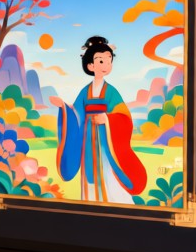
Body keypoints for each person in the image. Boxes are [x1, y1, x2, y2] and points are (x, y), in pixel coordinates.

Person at [50, 36, 147, 203]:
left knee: (108, 172)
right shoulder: (85, 91)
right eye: (101, 61)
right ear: (90, 65)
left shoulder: (111, 91)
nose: (107, 65)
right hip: (88, 139)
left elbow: (123, 116)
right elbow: (76, 114)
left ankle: (115, 202)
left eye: (109, 60)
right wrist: (63, 107)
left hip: (106, 142)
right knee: (90, 175)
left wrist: (108, 119)